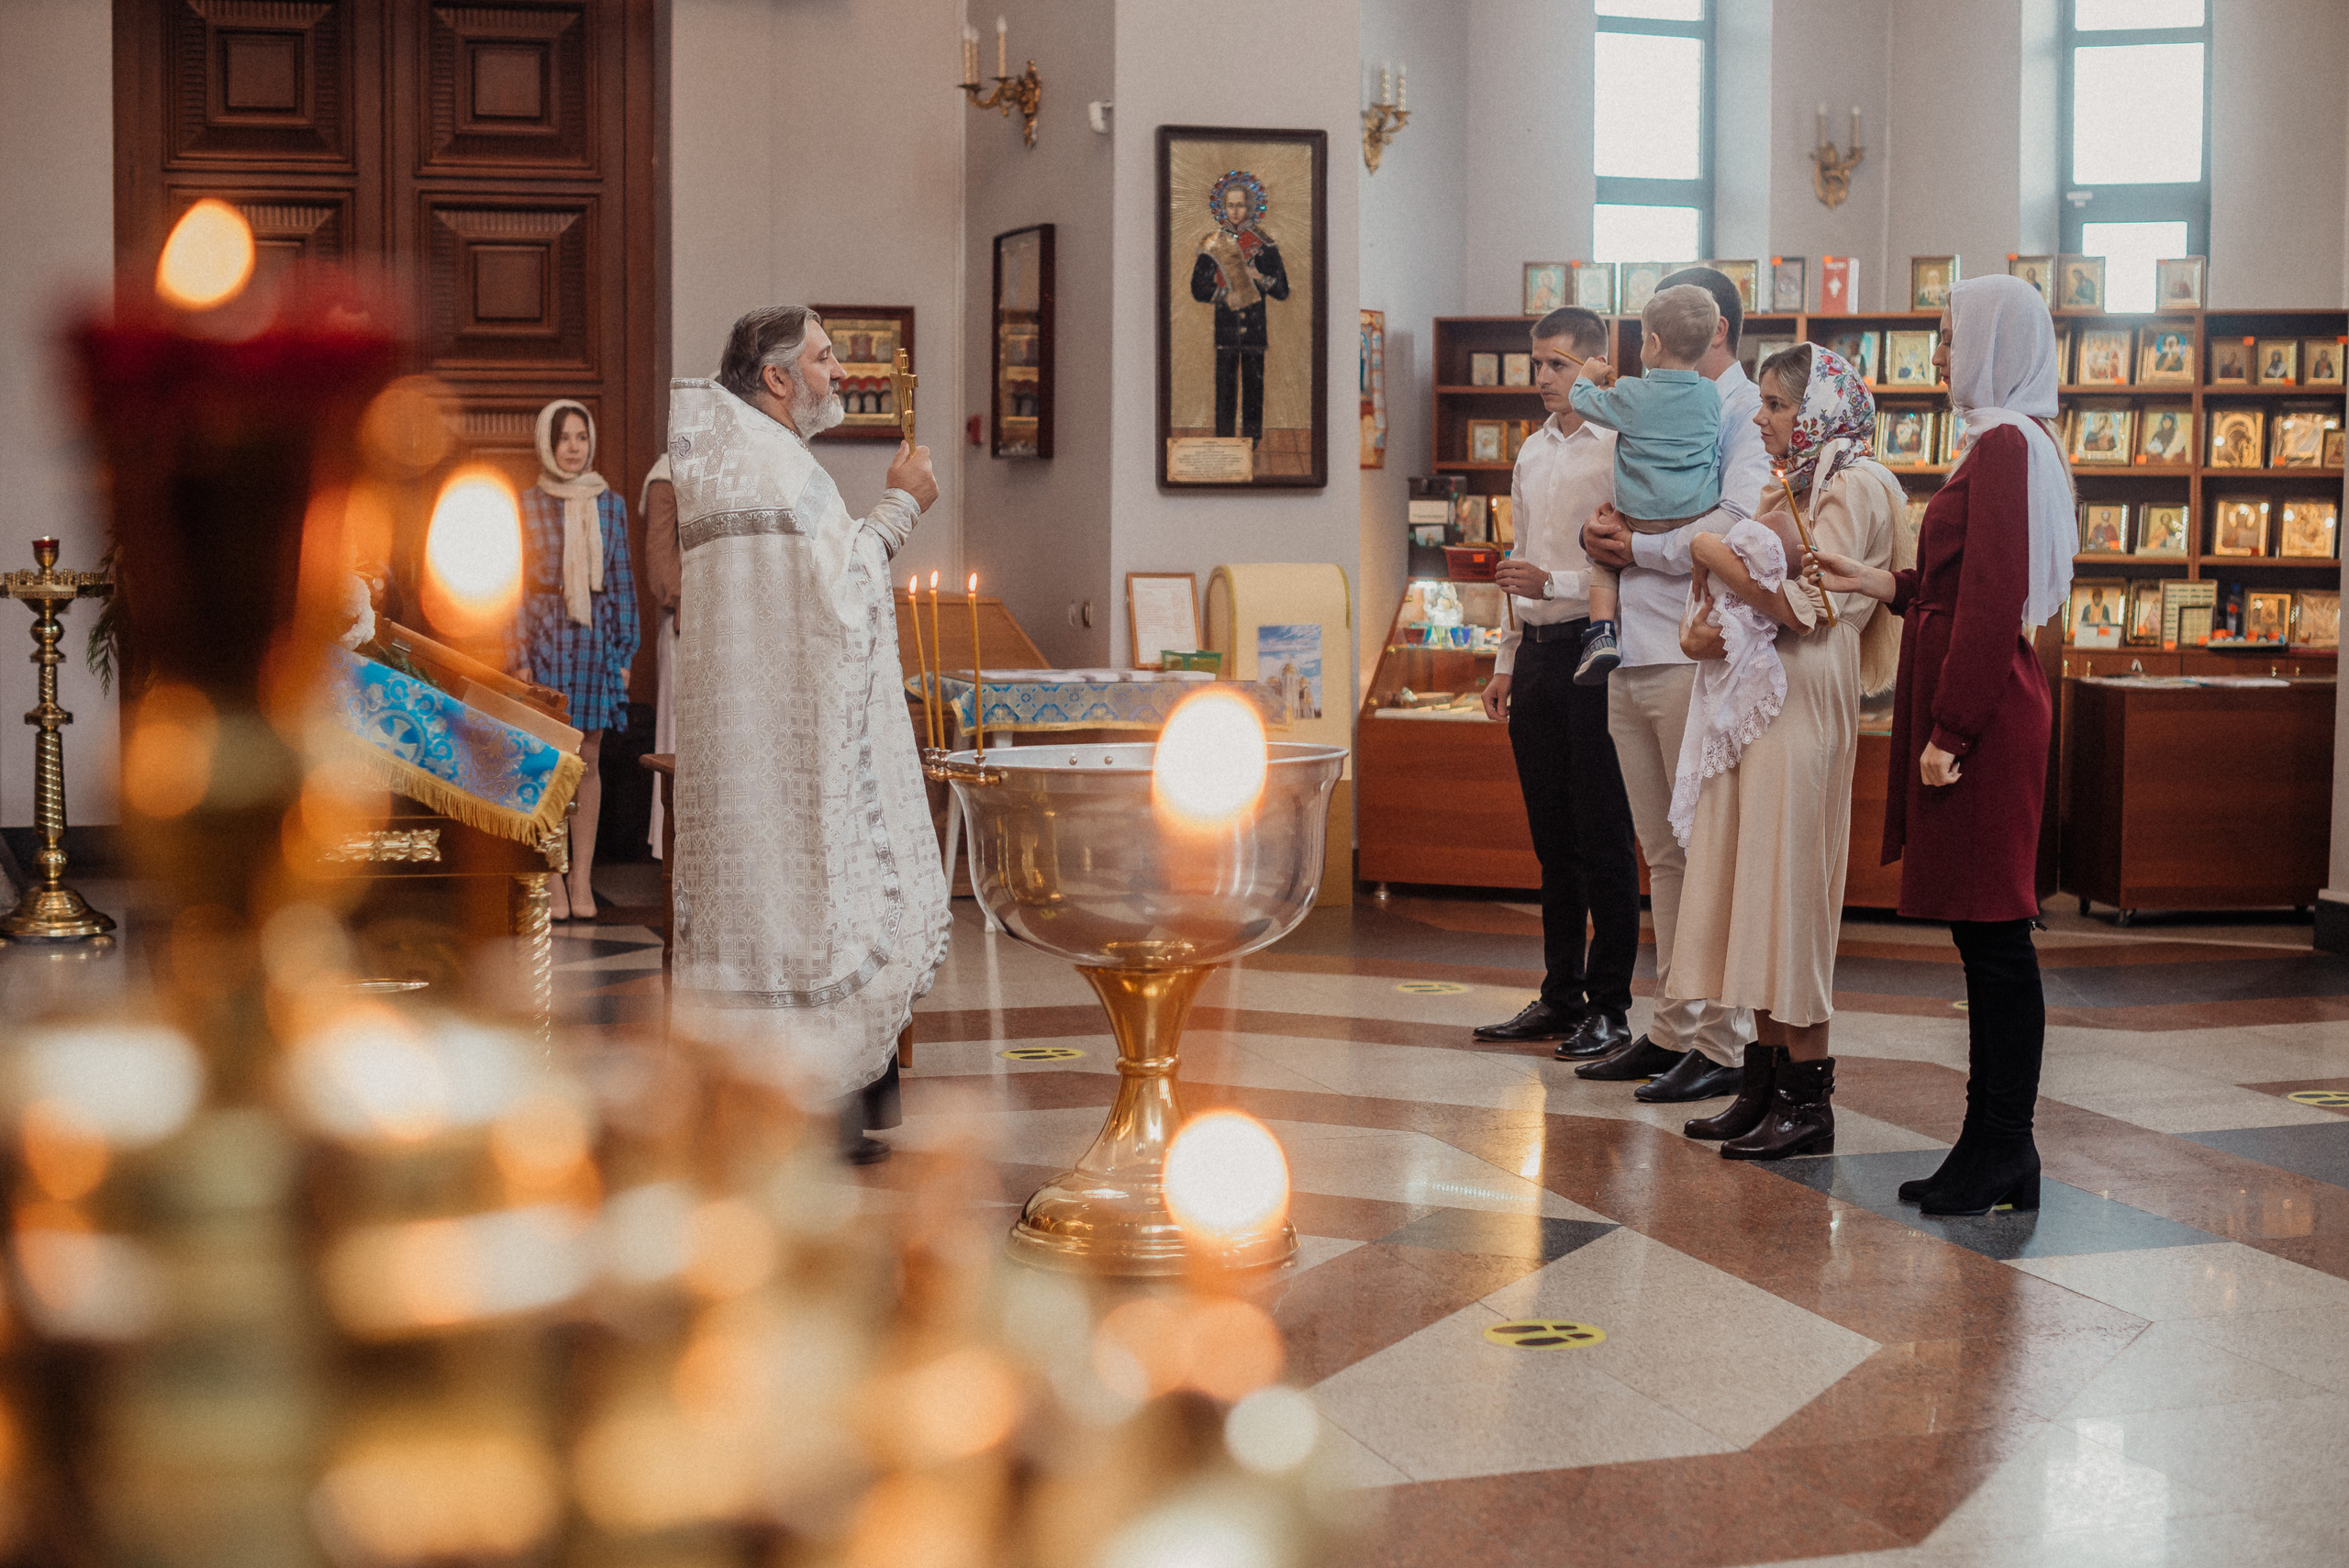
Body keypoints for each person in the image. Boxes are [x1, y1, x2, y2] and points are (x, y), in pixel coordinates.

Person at [665, 306, 948, 1163]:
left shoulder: (736, 457)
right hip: (785, 757)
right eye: (825, 360)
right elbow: (843, 595)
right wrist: (903, 505)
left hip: (754, 744)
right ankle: (811, 1116)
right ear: (778, 378)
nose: (839, 374)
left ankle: (754, 1107)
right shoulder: (776, 468)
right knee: (812, 909)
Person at [1813, 273, 2070, 1216]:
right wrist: (1882, 581)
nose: (1940, 355)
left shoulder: (2003, 444)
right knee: (1982, 934)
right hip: (1986, 706)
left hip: (1986, 714)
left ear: (1996, 344)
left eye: (1952, 337)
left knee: (1995, 937)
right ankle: (1994, 1143)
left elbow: (1994, 600)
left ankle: (2002, 1144)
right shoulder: (2004, 440)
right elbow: (1962, 582)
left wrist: (1950, 728)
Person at [1669, 345, 1903, 1157]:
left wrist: (1712, 554)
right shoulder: (1792, 481)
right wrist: (1708, 633)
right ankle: (1762, 1083)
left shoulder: (1859, 484)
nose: (1761, 417)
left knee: (1792, 890)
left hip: (1807, 705)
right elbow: (1756, 615)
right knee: (1755, 889)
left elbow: (1811, 608)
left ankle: (1809, 1103)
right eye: (1763, 402)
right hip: (1760, 706)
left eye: (1775, 404)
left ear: (1817, 411)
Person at [1578, 265, 1766, 1101]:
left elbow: (1738, 521)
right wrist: (1603, 532)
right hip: (1633, 645)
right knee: (1661, 851)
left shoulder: (1746, 410)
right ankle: (1672, 1026)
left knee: (1707, 848)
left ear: (1714, 327)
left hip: (1698, 651)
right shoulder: (1662, 395)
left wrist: (1640, 549)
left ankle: (1722, 1039)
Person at [1472, 306, 1642, 1060]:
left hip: (1595, 644)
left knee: (1603, 831)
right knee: (1552, 836)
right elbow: (1518, 557)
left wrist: (1557, 579)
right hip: (1538, 652)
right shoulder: (1531, 452)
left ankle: (1610, 1005)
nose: (1542, 378)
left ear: (1599, 367)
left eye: (1557, 364)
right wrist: (1506, 659)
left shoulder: (1620, 447)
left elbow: (1631, 558)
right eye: (1536, 363)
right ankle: (1559, 992)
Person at [513, 400, 640, 922]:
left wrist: (625, 653)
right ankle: (551, 879)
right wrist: (517, 655)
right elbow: (512, 587)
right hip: (544, 637)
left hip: (595, 644)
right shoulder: (525, 504)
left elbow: (623, 584)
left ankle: (582, 879)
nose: (572, 448)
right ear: (547, 443)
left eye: (581, 438)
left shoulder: (609, 504)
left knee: (587, 758)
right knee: (546, 759)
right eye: (564, 438)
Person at [1561, 286, 1725, 686]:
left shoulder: (1632, 393)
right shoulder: (1710, 394)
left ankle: (1600, 632)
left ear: (1653, 343)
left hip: (1643, 519)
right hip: (1696, 514)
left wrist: (1588, 376)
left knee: (1605, 556)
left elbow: (1581, 401)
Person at [1190, 170, 1289, 442]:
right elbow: (1198, 288)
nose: (1235, 211)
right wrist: (1222, 295)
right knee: (1225, 392)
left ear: (1250, 207)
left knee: (1254, 393)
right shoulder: (1213, 244)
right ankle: (1224, 444)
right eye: (1230, 206)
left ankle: (1252, 445)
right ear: (1223, 209)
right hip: (1226, 332)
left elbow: (1282, 291)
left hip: (1255, 333)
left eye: (1241, 205)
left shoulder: (1265, 245)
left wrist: (1260, 278)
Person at [640, 455, 679, 856]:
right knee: (679, 741)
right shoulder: (667, 475)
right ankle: (673, 852)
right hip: (688, 626)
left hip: (736, 629)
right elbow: (662, 571)